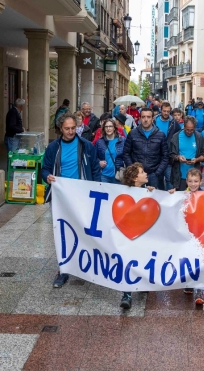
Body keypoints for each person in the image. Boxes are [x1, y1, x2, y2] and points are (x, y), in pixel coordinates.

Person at [41, 113, 102, 289]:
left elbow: (95, 168)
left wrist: (96, 189)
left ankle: (86, 266)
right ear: (61, 128)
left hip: (82, 195)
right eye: (67, 128)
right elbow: (44, 169)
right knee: (63, 232)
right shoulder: (53, 147)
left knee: (85, 231)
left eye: (73, 128)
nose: (70, 131)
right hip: (61, 197)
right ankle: (63, 269)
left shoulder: (86, 146)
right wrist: (47, 177)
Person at [168, 167, 204, 306]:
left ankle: (200, 290)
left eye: (195, 181)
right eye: (190, 181)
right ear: (186, 181)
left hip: (201, 236)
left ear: (201, 181)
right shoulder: (181, 195)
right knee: (187, 260)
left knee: (200, 262)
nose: (193, 184)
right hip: (186, 235)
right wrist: (170, 194)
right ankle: (189, 283)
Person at [119, 162, 157, 310]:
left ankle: (141, 283)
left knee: (142, 259)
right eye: (142, 172)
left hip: (143, 235)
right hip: (129, 236)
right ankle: (126, 294)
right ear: (135, 178)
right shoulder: (123, 194)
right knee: (128, 262)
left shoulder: (147, 191)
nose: (146, 173)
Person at [122, 108, 169, 189]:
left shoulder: (160, 135)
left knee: (154, 200)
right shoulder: (132, 134)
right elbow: (126, 153)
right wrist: (134, 170)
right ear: (140, 119)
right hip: (137, 177)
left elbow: (165, 156)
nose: (146, 119)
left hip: (154, 175)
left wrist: (157, 173)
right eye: (143, 117)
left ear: (152, 118)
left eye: (148, 117)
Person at [168, 116, 204, 192]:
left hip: (194, 177)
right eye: (187, 130)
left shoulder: (199, 137)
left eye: (192, 130)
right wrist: (178, 157)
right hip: (179, 177)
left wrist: (197, 159)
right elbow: (170, 155)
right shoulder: (176, 137)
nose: (189, 132)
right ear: (184, 126)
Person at [155, 102, 182, 190]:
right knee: (158, 178)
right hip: (156, 154)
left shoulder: (174, 123)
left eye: (168, 111)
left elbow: (179, 137)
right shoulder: (154, 120)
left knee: (169, 179)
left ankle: (169, 200)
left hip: (169, 155)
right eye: (164, 111)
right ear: (161, 110)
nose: (166, 113)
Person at [96, 119, 126, 184]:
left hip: (118, 175)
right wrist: (99, 162)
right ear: (104, 128)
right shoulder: (99, 142)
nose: (108, 128)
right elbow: (94, 157)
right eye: (106, 127)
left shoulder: (122, 140)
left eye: (110, 126)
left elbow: (127, 155)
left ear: (114, 128)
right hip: (104, 175)